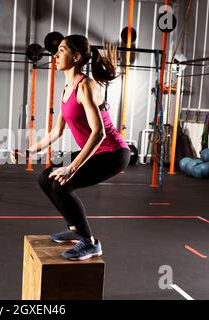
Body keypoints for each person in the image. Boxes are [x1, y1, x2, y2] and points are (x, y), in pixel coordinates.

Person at [17, 35, 130, 260]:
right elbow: (56, 132)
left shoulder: (85, 85)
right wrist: (30, 152)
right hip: (96, 151)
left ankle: (90, 242)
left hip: (113, 153)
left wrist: (72, 168)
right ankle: (74, 230)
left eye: (61, 50)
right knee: (45, 178)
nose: (55, 56)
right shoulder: (67, 87)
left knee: (61, 184)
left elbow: (99, 133)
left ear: (76, 56)